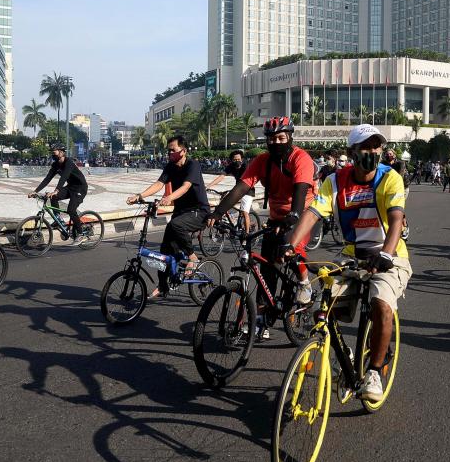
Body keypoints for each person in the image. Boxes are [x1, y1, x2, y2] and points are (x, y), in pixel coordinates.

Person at [284, 124, 411, 401]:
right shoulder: (335, 181)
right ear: (352, 152)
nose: (373, 152)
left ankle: (375, 371)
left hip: (389, 254)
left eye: (377, 147)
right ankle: (343, 355)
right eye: (366, 147)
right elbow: (314, 212)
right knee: (327, 307)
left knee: (381, 304)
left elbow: (397, 220)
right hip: (353, 253)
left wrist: (386, 255)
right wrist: (290, 245)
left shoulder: (390, 177)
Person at [208, 116, 316, 317]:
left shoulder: (301, 159)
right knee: (266, 268)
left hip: (303, 214)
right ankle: (262, 319)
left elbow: (301, 191)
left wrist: (293, 216)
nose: (276, 143)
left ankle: (304, 282)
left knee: (289, 247)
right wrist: (218, 212)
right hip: (276, 215)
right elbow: (241, 188)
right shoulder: (262, 161)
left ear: (290, 138)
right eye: (271, 139)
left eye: (281, 138)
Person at [128, 135, 209, 298]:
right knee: (164, 251)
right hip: (181, 212)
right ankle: (163, 286)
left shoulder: (192, 165)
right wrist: (139, 196)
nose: (170, 153)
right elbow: (159, 184)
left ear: (183, 151)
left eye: (173, 150)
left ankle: (192, 257)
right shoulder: (171, 166)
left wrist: (169, 198)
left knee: (175, 225)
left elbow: (186, 187)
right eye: (169, 150)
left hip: (199, 211)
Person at [29, 142, 89, 245]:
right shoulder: (56, 165)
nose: (53, 155)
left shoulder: (69, 162)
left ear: (61, 152)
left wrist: (56, 190)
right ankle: (58, 220)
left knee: (71, 210)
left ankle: (81, 234)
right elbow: (47, 179)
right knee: (54, 197)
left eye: (54, 152)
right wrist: (35, 191)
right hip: (70, 187)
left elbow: (64, 177)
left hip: (80, 188)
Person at [206, 149, 255, 233]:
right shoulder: (231, 166)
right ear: (232, 160)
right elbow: (221, 176)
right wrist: (209, 185)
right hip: (237, 189)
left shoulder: (246, 166)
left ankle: (246, 236)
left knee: (244, 212)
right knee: (224, 200)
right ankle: (232, 221)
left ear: (242, 159)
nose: (237, 161)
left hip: (248, 190)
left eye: (239, 160)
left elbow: (246, 181)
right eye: (235, 160)